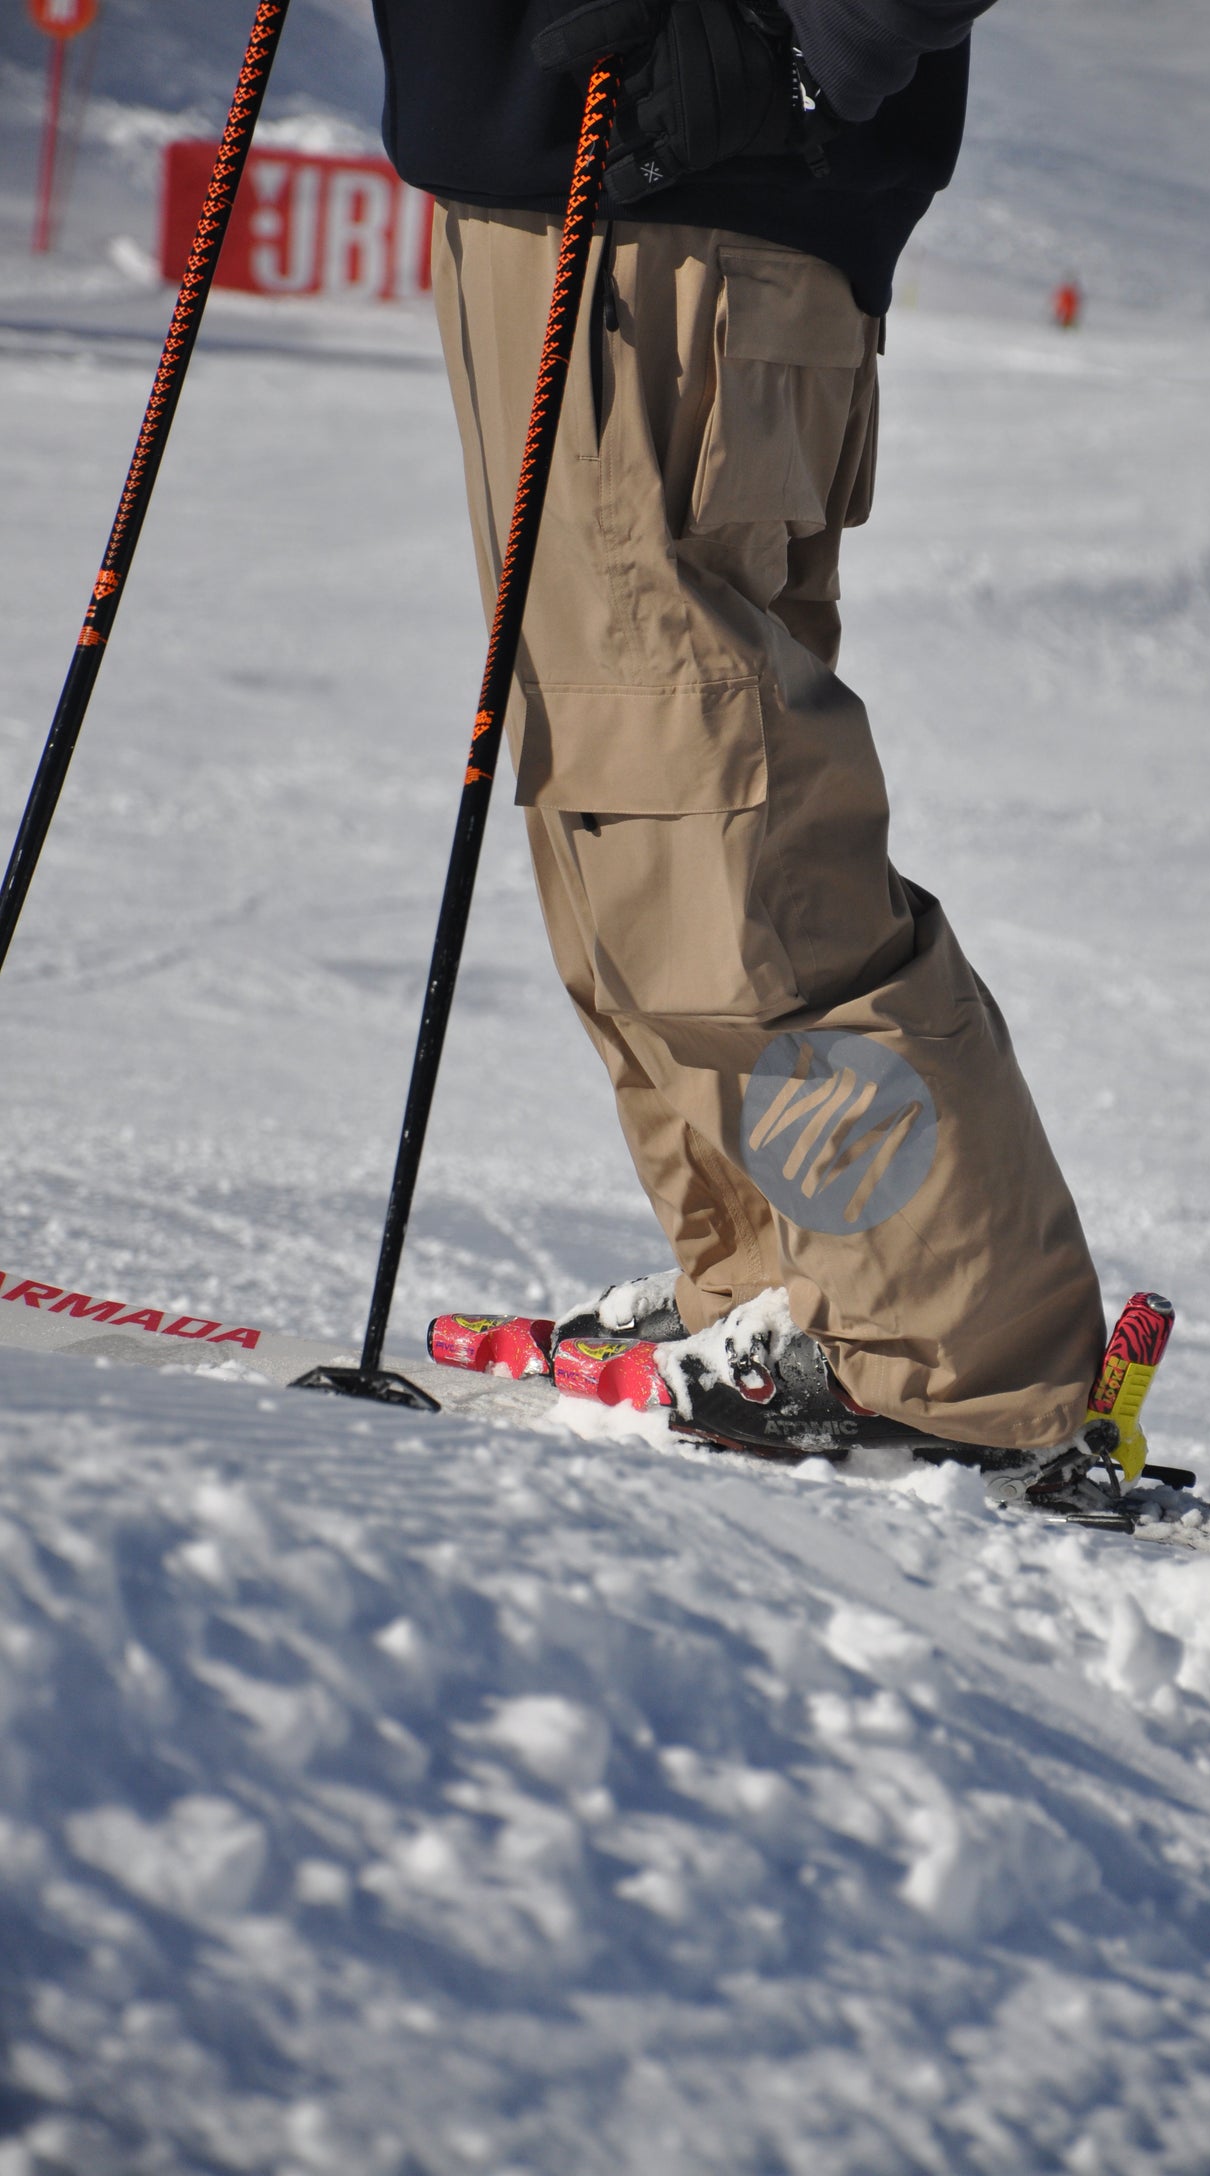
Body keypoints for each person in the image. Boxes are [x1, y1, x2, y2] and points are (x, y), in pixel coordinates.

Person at [370, 0, 1112, 1497]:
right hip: (563, 182)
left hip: (675, 190)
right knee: (614, 798)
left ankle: (939, 1345)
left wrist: (807, 37)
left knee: (704, 808)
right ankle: (781, 1289)